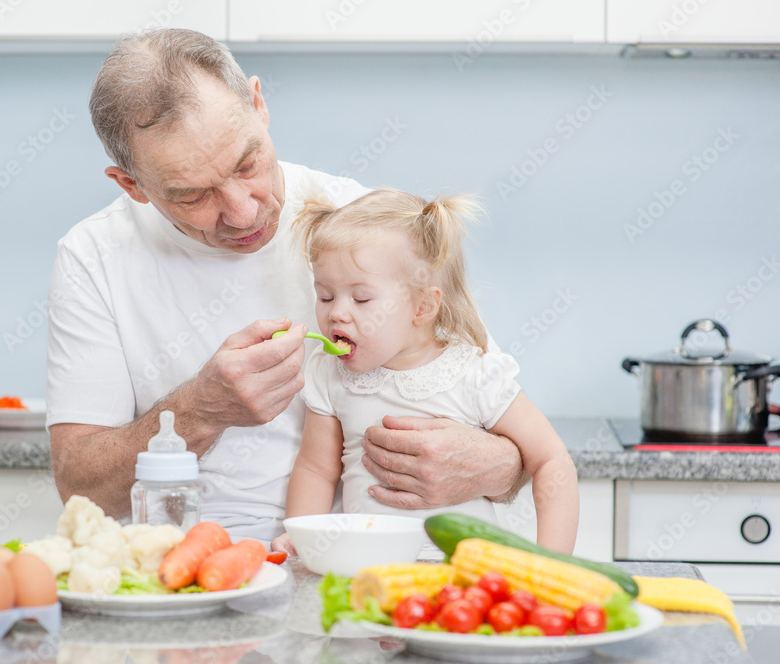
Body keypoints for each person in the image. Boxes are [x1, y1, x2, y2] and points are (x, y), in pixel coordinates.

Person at [45, 28, 527, 543]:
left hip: (349, 562)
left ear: (258, 104)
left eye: (247, 164)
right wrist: (198, 411)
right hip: (178, 564)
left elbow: (506, 429)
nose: (243, 210)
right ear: (132, 185)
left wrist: (497, 467)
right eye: (192, 196)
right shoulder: (92, 257)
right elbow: (82, 489)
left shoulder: (366, 229)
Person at [271, 189, 578, 554]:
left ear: (423, 306)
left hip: (465, 576)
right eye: (325, 296)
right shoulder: (328, 375)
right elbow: (317, 470)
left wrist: (553, 562)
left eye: (361, 298)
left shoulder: (474, 376)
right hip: (367, 567)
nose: (336, 312)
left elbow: (551, 460)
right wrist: (304, 536)